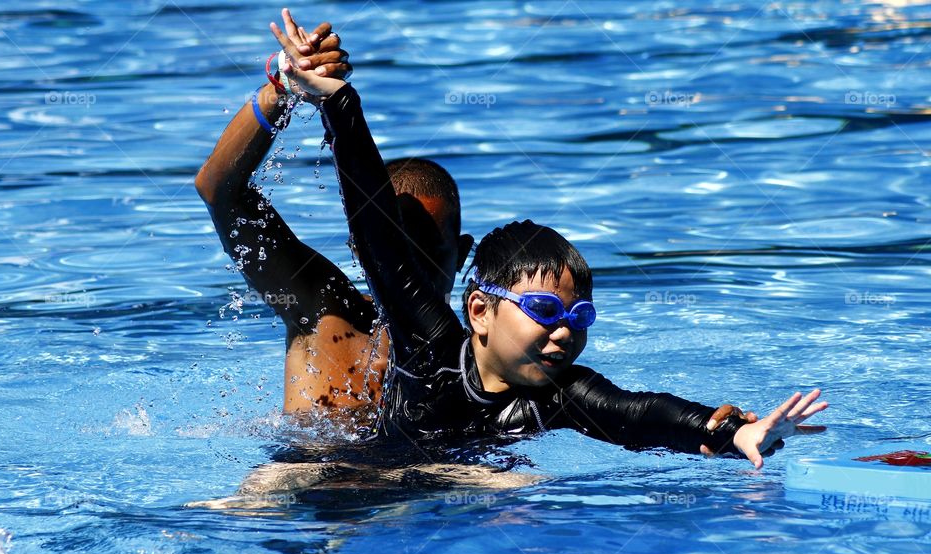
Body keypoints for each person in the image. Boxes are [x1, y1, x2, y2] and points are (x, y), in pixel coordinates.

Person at [273, 14, 829, 470]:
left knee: (505, 491)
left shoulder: (558, 394)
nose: (565, 333)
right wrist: (340, 104)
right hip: (364, 473)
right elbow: (380, 245)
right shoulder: (431, 346)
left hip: (451, 494)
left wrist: (733, 433)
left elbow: (636, 414)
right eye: (543, 310)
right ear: (480, 311)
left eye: (580, 317)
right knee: (278, 480)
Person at [195, 11, 472, 421]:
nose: (406, 267)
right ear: (361, 247)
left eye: (427, 251)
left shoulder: (479, 360)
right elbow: (220, 190)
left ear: (462, 255)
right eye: (395, 247)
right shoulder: (323, 309)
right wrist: (285, 87)